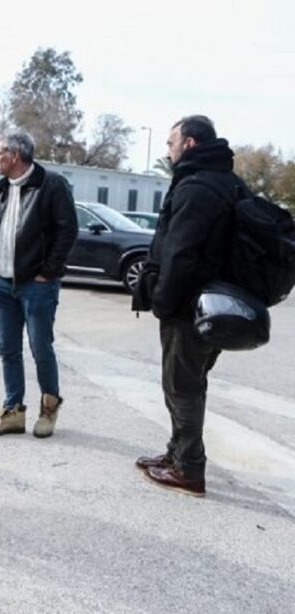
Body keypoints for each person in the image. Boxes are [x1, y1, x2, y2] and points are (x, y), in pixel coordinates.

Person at [136, 116, 243, 497]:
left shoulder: (198, 187)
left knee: (182, 387)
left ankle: (189, 470)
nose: (169, 150)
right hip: (214, 304)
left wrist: (163, 302)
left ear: (191, 144)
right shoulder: (224, 180)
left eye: (171, 143)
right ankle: (176, 453)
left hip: (189, 306)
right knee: (190, 383)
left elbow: (181, 253)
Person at [0, 132, 78, 439]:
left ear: (15, 155)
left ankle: (49, 409)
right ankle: (13, 413)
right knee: (8, 349)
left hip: (36, 286)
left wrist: (50, 271)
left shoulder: (51, 185)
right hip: (1, 285)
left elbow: (68, 231)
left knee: (40, 348)